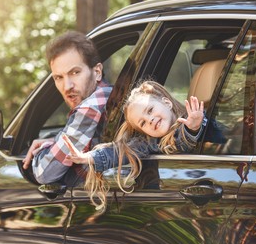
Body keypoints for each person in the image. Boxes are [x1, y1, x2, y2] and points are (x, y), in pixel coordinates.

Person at [63, 80, 206, 211]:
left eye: (150, 110)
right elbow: (119, 151)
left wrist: (192, 128)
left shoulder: (193, 120)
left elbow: (181, 141)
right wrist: (87, 157)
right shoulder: (148, 142)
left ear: (167, 103)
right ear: (142, 132)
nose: (150, 119)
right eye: (143, 123)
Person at [22, 31, 112, 185]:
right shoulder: (109, 94)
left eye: (75, 72)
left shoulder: (90, 107)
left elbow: (44, 173)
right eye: (59, 77)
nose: (67, 86)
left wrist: (46, 146)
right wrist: (54, 140)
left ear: (97, 72)